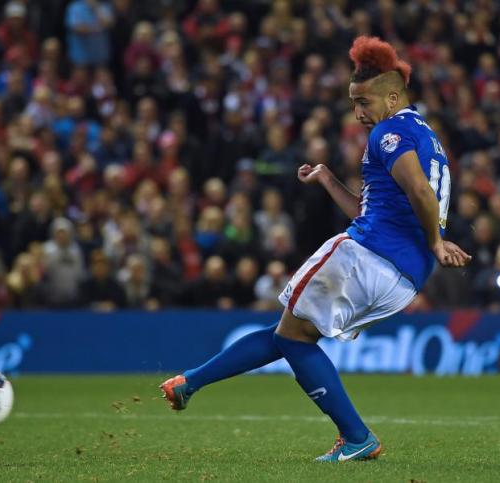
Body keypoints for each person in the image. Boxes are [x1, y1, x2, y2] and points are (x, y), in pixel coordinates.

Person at [160, 36, 472, 462]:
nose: (358, 112)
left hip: (365, 256)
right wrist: (327, 179)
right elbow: (379, 207)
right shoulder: (425, 135)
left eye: (364, 101)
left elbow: (419, 190)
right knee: (290, 335)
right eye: (353, 102)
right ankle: (190, 382)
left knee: (293, 338)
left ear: (392, 96)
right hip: (402, 276)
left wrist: (436, 241)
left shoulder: (389, 132)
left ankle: (356, 436)